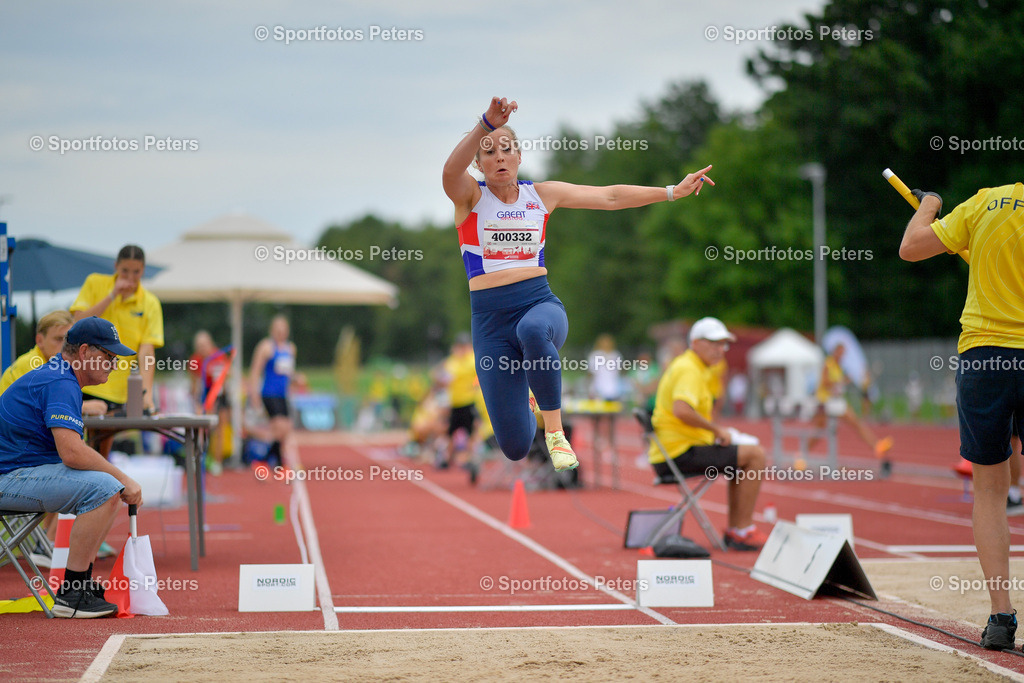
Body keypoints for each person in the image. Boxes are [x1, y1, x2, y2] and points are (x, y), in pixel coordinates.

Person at [442, 96, 713, 472]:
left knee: (534, 330)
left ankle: (555, 433)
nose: (499, 157)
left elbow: (610, 195)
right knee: (516, 445)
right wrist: (485, 125)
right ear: (479, 163)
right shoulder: (470, 198)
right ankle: (527, 388)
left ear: (519, 157)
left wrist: (671, 191)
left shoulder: (542, 195)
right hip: (490, 323)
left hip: (539, 304)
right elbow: (449, 172)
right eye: (489, 152)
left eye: (507, 149)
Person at [899, 181, 1024, 650]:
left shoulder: (985, 201)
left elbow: (911, 247)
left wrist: (929, 204)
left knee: (990, 492)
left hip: (985, 356)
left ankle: (1000, 618)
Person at [0, 316, 143, 618]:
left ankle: (81, 585)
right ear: (86, 352)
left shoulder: (60, 375)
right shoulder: (61, 380)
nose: (114, 364)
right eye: (109, 356)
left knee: (106, 486)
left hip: (14, 473)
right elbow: (72, 454)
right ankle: (73, 594)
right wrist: (124, 478)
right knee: (106, 488)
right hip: (8, 478)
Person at [649, 317, 768, 551]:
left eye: (723, 344)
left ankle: (738, 530)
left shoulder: (695, 366)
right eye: (714, 343)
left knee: (741, 456)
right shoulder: (689, 369)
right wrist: (717, 430)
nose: (720, 349)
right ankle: (741, 531)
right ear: (695, 343)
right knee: (756, 455)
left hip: (677, 450)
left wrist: (717, 434)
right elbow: (681, 410)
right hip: (678, 454)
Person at [71, 245, 164, 456]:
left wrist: (146, 394)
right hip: (83, 382)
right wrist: (112, 295)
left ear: (143, 270)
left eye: (136, 272)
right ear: (115, 267)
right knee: (73, 450)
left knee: (100, 455)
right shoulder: (95, 282)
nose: (130, 277)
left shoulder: (150, 303)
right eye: (125, 271)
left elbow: (147, 353)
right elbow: (77, 323)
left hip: (117, 390)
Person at [807, 343, 893, 474]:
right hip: (824, 402)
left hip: (836, 403)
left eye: (844, 353)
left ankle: (876, 445)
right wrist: (839, 382)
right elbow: (824, 383)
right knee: (818, 431)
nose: (843, 355)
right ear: (835, 352)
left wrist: (844, 381)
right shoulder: (828, 364)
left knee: (855, 422)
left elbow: (837, 384)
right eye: (841, 352)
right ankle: (802, 454)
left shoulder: (839, 367)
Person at [249, 315, 296, 469]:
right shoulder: (266, 347)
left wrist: (297, 380)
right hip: (269, 392)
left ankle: (267, 459)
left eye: (283, 329)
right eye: (278, 329)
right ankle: (278, 463)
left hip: (282, 394)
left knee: (286, 428)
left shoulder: (291, 348)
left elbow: (289, 373)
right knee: (278, 427)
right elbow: (255, 371)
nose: (281, 332)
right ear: (272, 330)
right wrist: (253, 395)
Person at [190, 330, 232, 475]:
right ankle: (199, 458)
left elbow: (224, 380)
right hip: (204, 394)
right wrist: (196, 402)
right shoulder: (195, 360)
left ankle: (217, 462)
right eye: (199, 346)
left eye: (204, 345)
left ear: (210, 344)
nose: (202, 348)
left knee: (220, 428)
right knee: (202, 428)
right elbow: (194, 384)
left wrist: (216, 400)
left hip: (219, 395)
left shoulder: (219, 357)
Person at [435, 333, 480, 470]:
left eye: (464, 346)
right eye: (460, 346)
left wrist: (474, 386)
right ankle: (446, 459)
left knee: (472, 432)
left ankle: (471, 459)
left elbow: (480, 376)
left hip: (469, 402)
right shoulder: (451, 362)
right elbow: (442, 379)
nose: (462, 349)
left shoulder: (472, 360)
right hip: (455, 404)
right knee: (449, 433)